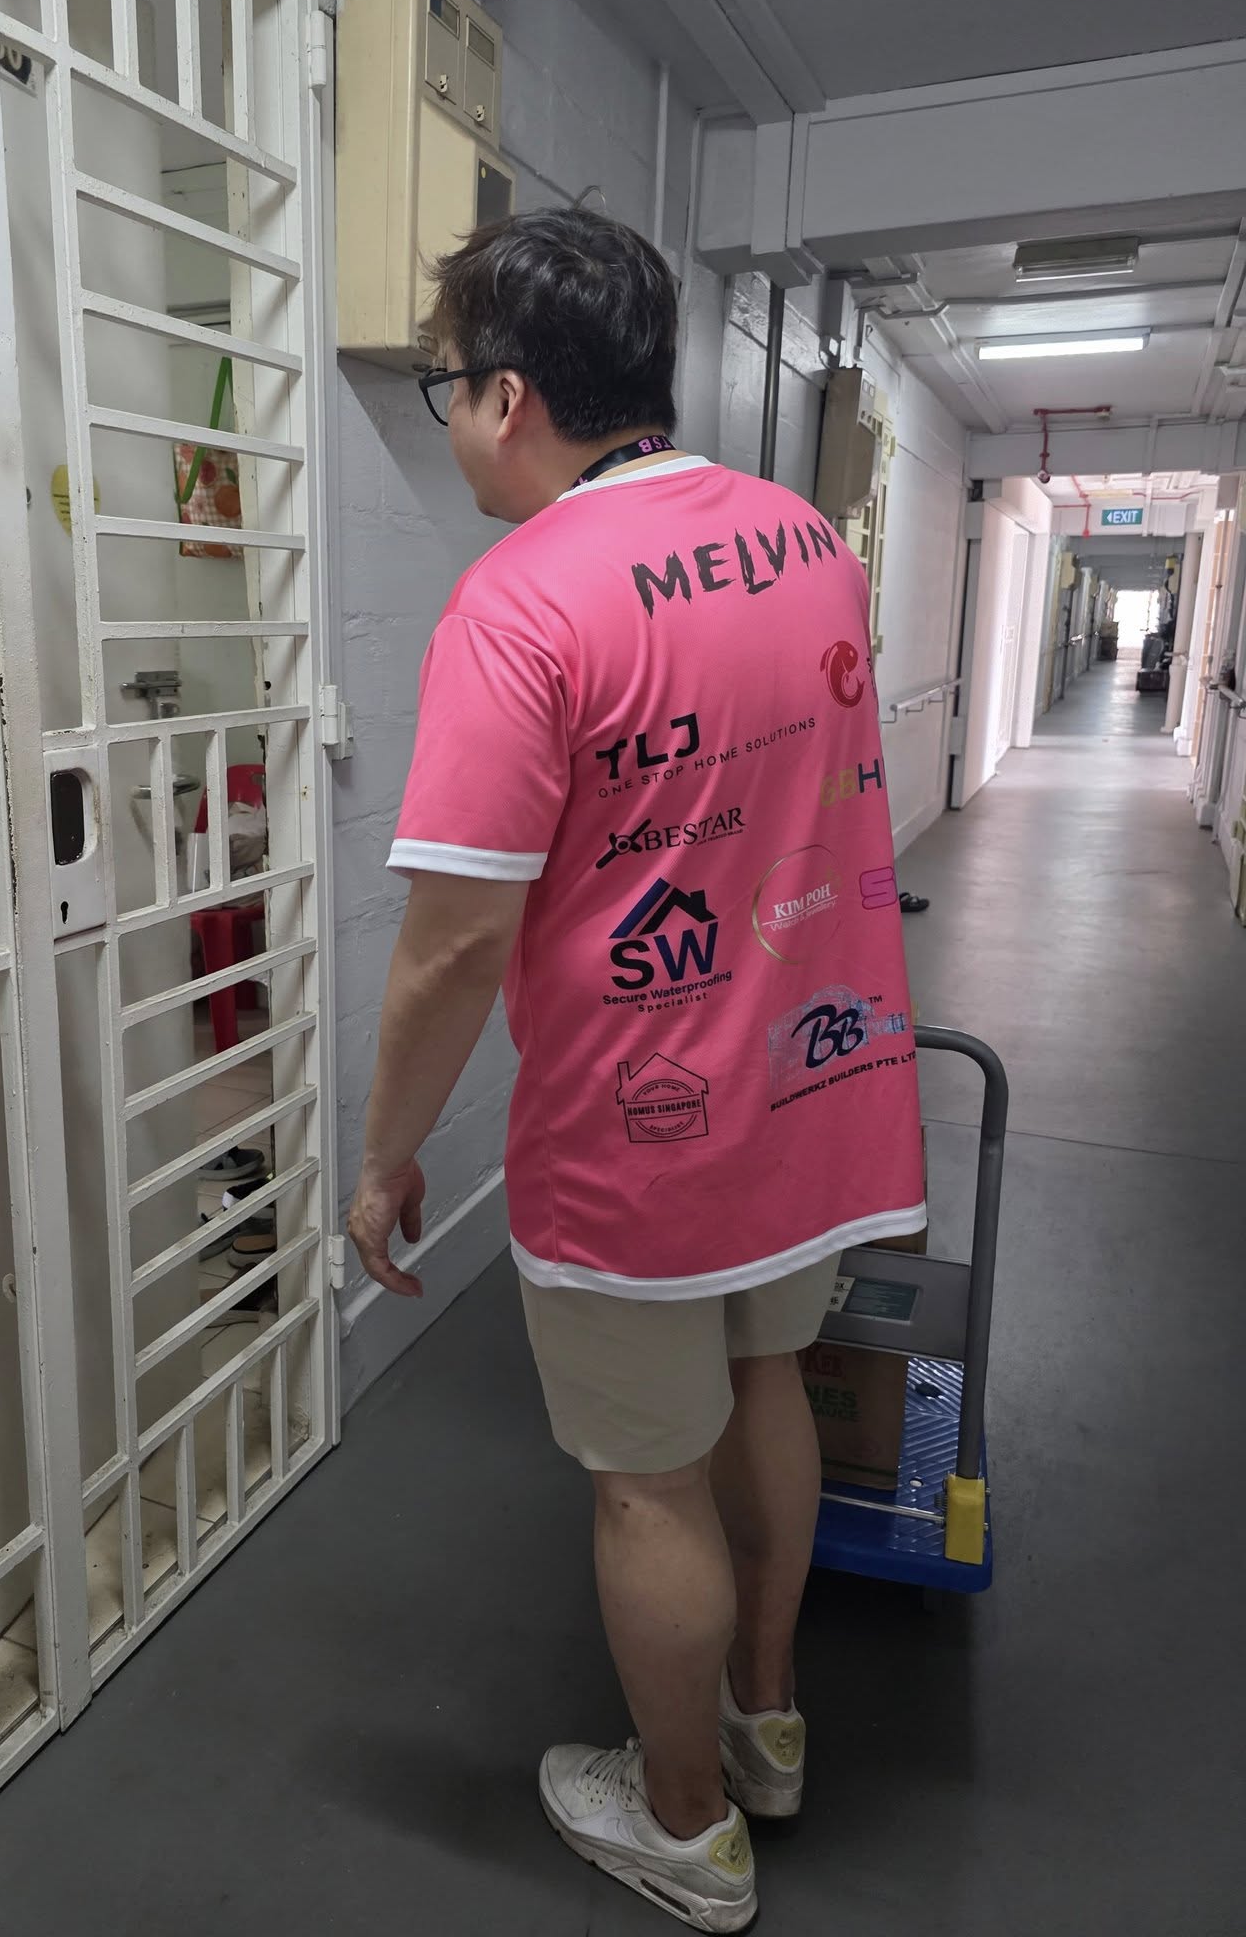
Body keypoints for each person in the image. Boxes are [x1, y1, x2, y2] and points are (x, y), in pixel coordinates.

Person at [346, 208, 925, 1933]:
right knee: (768, 1383)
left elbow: (453, 948)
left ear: (511, 397)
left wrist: (383, 1157)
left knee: (644, 1477)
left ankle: (683, 1826)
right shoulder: (806, 538)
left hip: (639, 1132)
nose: (452, 420)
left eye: (448, 388)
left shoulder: (520, 603)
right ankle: (766, 1723)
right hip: (809, 1088)